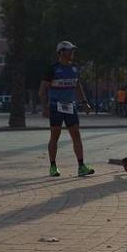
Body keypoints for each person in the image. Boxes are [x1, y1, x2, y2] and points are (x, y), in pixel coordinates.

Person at [39, 41, 94, 178]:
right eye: (69, 51)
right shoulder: (52, 69)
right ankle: (53, 166)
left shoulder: (75, 68)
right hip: (55, 106)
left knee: (76, 134)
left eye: (73, 50)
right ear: (61, 52)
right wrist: (44, 107)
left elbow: (77, 86)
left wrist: (84, 102)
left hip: (71, 106)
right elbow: (42, 90)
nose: (72, 53)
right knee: (55, 136)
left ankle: (81, 166)